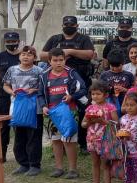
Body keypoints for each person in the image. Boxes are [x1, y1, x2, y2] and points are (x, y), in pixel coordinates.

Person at [41, 15, 96, 153]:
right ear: (62, 25)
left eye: (72, 25)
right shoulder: (55, 39)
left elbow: (90, 54)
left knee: (84, 111)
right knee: (60, 112)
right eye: (66, 24)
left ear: (77, 26)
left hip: (80, 81)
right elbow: (42, 55)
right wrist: (59, 54)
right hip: (57, 81)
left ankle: (83, 144)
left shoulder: (83, 39)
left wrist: (70, 52)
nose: (69, 27)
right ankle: (62, 144)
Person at [37, 48, 88, 179]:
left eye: (61, 60)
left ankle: (73, 169)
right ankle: (58, 168)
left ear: (65, 60)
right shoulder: (44, 75)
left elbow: (83, 89)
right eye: (55, 60)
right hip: (52, 114)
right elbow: (40, 94)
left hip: (69, 112)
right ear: (49, 61)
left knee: (70, 140)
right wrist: (43, 106)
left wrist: (72, 96)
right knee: (56, 140)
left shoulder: (71, 73)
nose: (58, 63)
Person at [2, 45, 43, 176]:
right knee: (19, 136)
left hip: (34, 108)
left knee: (33, 136)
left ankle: (34, 165)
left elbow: (43, 88)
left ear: (34, 58)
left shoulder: (39, 71)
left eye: (30, 54)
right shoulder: (12, 70)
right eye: (23, 54)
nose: (26, 56)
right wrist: (11, 92)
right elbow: (5, 85)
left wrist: (34, 90)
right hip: (17, 107)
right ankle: (23, 164)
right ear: (19, 56)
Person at [82, 81, 119, 183]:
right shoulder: (90, 108)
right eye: (93, 94)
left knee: (105, 165)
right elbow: (83, 124)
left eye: (98, 94)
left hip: (105, 140)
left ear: (106, 95)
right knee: (95, 163)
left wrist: (104, 122)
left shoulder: (110, 107)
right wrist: (89, 122)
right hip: (92, 139)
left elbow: (116, 123)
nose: (95, 96)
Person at [0, 31, 22, 163]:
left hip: (20, 96)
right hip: (4, 96)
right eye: (8, 42)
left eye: (13, 41)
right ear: (5, 43)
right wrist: (5, 86)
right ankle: (1, 154)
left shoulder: (23, 56)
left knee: (20, 125)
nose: (11, 44)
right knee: (3, 126)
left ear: (18, 41)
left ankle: (20, 156)